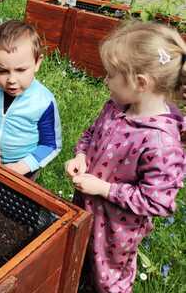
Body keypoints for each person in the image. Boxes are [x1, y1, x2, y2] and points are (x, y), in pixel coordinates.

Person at [65, 22, 186, 292]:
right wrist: (81, 155)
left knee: (109, 279)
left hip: (115, 231)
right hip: (86, 209)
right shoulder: (116, 106)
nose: (105, 80)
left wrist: (104, 189)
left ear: (140, 83)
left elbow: (157, 201)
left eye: (111, 75)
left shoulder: (161, 141)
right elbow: (91, 133)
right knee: (79, 262)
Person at [0, 21, 62, 179]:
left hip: (23, 167)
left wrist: (20, 167)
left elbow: (50, 145)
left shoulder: (42, 101)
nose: (11, 79)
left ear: (37, 63)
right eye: (2, 71)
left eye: (21, 70)